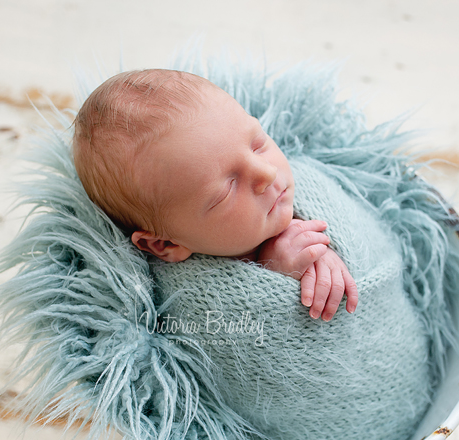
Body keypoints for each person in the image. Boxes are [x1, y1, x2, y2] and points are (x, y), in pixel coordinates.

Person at [72, 69, 358, 321]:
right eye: (227, 190)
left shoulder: (306, 183)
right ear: (163, 245)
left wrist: (325, 251)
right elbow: (240, 343)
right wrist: (275, 275)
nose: (267, 173)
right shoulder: (186, 300)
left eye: (258, 144)